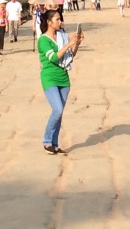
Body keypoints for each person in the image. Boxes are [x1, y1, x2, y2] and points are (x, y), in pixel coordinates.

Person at [38, 9, 83, 154]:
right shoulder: (43, 40)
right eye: (57, 20)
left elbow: (71, 55)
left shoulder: (62, 36)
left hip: (63, 78)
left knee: (60, 113)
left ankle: (54, 144)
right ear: (49, 22)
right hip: (50, 78)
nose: (60, 22)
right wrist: (69, 44)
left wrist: (76, 43)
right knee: (57, 109)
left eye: (60, 19)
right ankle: (46, 140)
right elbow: (53, 57)